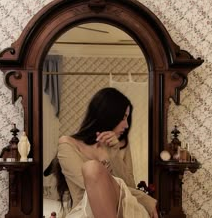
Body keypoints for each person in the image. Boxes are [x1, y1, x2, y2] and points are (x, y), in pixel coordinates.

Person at [51, 87, 158, 218]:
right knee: (92, 168)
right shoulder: (68, 145)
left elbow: (129, 187)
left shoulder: (120, 145)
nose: (126, 125)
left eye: (127, 118)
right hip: (85, 213)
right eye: (123, 118)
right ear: (108, 115)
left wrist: (114, 153)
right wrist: (145, 199)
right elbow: (90, 186)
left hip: (125, 212)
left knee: (94, 168)